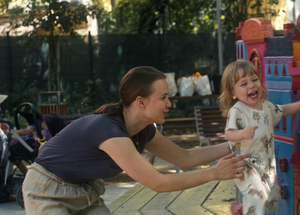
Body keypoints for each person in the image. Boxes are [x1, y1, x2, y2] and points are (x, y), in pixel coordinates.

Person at [22, 66, 251, 215]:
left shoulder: (143, 130)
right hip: (47, 190)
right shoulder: (107, 130)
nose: (169, 104)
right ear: (140, 102)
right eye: (163, 98)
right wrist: (213, 173)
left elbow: (185, 157)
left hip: (84, 192)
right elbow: (158, 183)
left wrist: (237, 143)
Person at [218, 60, 300, 215]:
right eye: (244, 84)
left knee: (271, 199)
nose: (252, 85)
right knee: (257, 200)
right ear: (233, 93)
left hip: (267, 166)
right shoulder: (238, 110)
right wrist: (242, 133)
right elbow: (229, 133)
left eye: (254, 80)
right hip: (246, 166)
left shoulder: (266, 106)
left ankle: (240, 210)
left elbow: (283, 110)